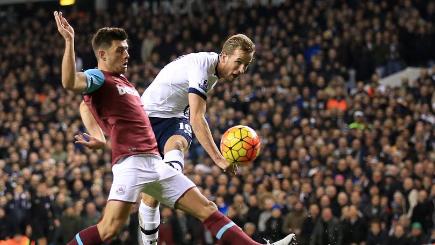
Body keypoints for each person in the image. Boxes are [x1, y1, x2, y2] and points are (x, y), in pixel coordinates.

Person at [53, 11, 295, 245]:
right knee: (108, 230)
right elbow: (70, 82)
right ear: (103, 55)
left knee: (207, 208)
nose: (127, 54)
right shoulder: (99, 77)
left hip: (154, 164)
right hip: (132, 162)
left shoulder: (123, 82)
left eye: (127, 49)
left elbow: (87, 106)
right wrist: (70, 41)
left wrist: (98, 136)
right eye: (121, 50)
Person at [137, 33, 255, 244]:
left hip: (173, 118)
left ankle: (172, 177)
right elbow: (197, 118)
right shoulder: (202, 67)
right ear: (224, 56)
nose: (241, 70)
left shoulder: (213, 72)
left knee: (178, 144)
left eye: (246, 65)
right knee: (150, 195)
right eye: (239, 62)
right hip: (146, 119)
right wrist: (219, 160)